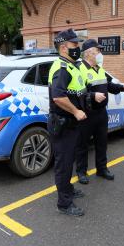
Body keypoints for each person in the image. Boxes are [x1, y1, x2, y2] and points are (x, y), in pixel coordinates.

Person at [75, 39, 124, 184]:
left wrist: (121, 87)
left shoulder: (99, 69)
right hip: (86, 113)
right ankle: (81, 172)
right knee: (82, 144)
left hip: (101, 113)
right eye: (98, 51)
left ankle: (102, 169)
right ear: (89, 53)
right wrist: (93, 96)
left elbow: (108, 85)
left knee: (102, 142)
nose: (100, 54)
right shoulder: (79, 68)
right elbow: (75, 93)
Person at [47, 29, 91, 216]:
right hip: (63, 123)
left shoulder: (71, 66)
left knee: (68, 160)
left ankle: (69, 190)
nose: (78, 48)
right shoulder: (62, 69)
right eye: (75, 45)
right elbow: (58, 97)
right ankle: (64, 204)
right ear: (64, 47)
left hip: (71, 124)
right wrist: (76, 111)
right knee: (63, 164)